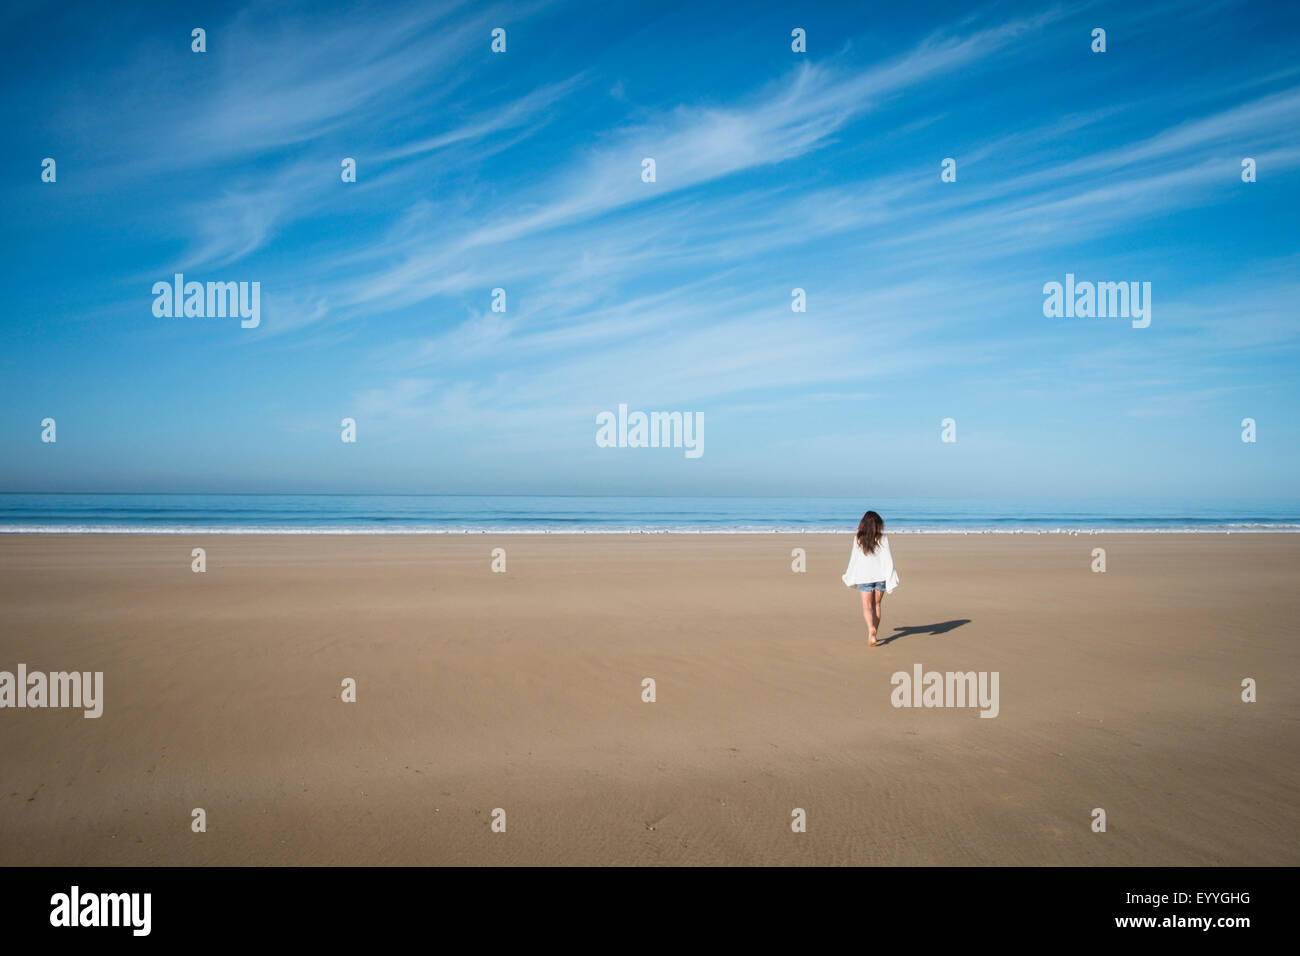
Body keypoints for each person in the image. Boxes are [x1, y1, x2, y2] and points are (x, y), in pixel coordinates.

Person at [841, 510, 900, 646]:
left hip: (865, 577)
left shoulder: (858, 539)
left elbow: (853, 559)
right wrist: (891, 577)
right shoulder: (882, 539)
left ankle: (871, 629)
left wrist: (850, 575)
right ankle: (874, 633)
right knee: (877, 605)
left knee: (867, 606)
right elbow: (888, 559)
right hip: (881, 577)